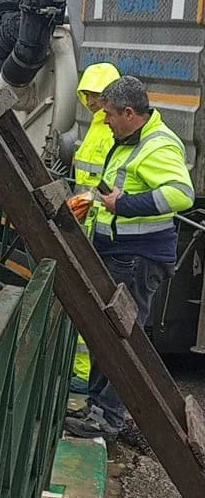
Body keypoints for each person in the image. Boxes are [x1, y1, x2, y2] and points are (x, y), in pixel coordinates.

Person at [64, 76, 195, 439]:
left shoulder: (158, 145)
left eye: (109, 114)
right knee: (108, 335)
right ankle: (97, 408)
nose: (104, 120)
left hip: (137, 257)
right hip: (121, 253)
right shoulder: (128, 140)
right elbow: (115, 189)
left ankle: (107, 417)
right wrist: (94, 202)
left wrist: (125, 205)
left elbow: (181, 194)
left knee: (121, 340)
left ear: (129, 113)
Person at [69, 63, 122, 394]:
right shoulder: (98, 125)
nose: (90, 101)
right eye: (86, 94)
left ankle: (85, 374)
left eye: (96, 95)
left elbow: (106, 179)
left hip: (98, 223)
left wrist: (87, 199)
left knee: (92, 298)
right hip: (87, 220)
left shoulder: (109, 130)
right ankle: (80, 370)